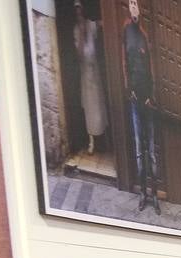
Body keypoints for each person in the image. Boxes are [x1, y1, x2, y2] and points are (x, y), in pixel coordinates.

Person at [121, 0, 158, 213]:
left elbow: (150, 68)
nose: (134, 8)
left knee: (151, 150)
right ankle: (143, 194)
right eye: (131, 4)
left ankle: (154, 195)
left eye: (136, 4)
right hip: (135, 100)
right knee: (138, 150)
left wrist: (150, 95)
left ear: (139, 10)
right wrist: (130, 91)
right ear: (128, 8)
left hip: (147, 101)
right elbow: (125, 63)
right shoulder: (126, 32)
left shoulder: (144, 34)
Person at [73, 1, 106, 155]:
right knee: (89, 108)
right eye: (76, 11)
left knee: (100, 106)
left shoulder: (90, 24)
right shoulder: (76, 30)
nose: (79, 13)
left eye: (80, 10)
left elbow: (101, 23)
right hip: (85, 74)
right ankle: (91, 142)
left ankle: (103, 140)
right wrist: (81, 35)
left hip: (95, 71)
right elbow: (79, 55)